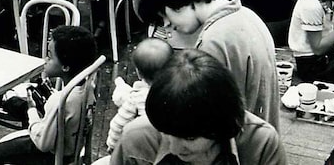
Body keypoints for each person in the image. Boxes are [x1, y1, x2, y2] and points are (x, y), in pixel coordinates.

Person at [138, 0, 280, 129]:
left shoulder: (214, 41)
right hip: (262, 136)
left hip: (240, 146)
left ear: (178, 3)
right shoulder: (247, 15)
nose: (167, 25)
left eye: (164, 15)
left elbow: (206, 118)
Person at [111, 49, 286, 165]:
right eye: (165, 132)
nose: (174, 148)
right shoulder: (136, 140)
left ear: (222, 126)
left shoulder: (261, 144)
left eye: (190, 138)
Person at [0, 26, 99, 165]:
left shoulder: (60, 100)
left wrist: (31, 110)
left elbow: (43, 144)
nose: (45, 59)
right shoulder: (88, 87)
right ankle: (11, 102)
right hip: (71, 149)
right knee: (21, 106)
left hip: (51, 157)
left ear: (65, 67)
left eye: (50, 56)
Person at [105, 38, 174, 152]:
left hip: (143, 146)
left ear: (138, 73)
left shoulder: (137, 98)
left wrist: (112, 146)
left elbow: (118, 125)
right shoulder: (178, 91)